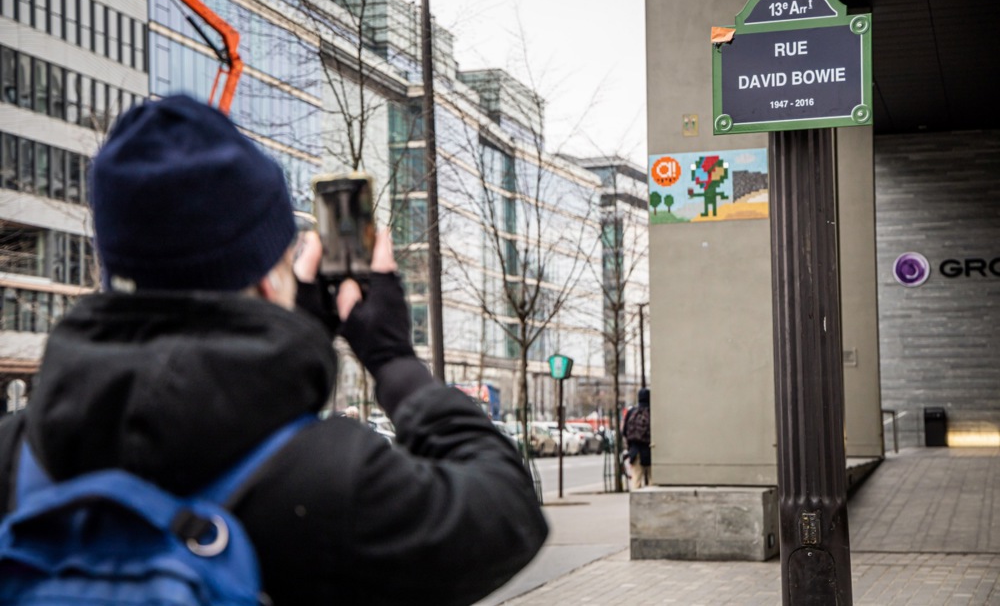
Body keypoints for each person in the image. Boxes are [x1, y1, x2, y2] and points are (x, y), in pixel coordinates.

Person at [0, 95, 547, 605]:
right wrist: (393, 361)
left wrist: (295, 330)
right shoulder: (334, 481)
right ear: (267, 278)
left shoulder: (16, 455)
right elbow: (507, 512)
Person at [623, 387, 652, 490]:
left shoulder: (631, 412)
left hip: (635, 451)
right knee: (653, 479)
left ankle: (635, 503)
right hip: (651, 449)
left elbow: (625, 432)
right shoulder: (652, 411)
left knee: (636, 478)